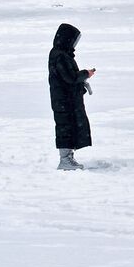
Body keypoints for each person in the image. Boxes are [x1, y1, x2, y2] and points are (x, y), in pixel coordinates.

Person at [48, 23, 94, 171]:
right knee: (65, 126)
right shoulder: (60, 56)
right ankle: (65, 160)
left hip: (65, 99)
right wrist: (85, 74)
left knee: (68, 125)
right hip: (63, 100)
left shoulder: (61, 54)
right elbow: (70, 77)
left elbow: (67, 79)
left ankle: (68, 157)